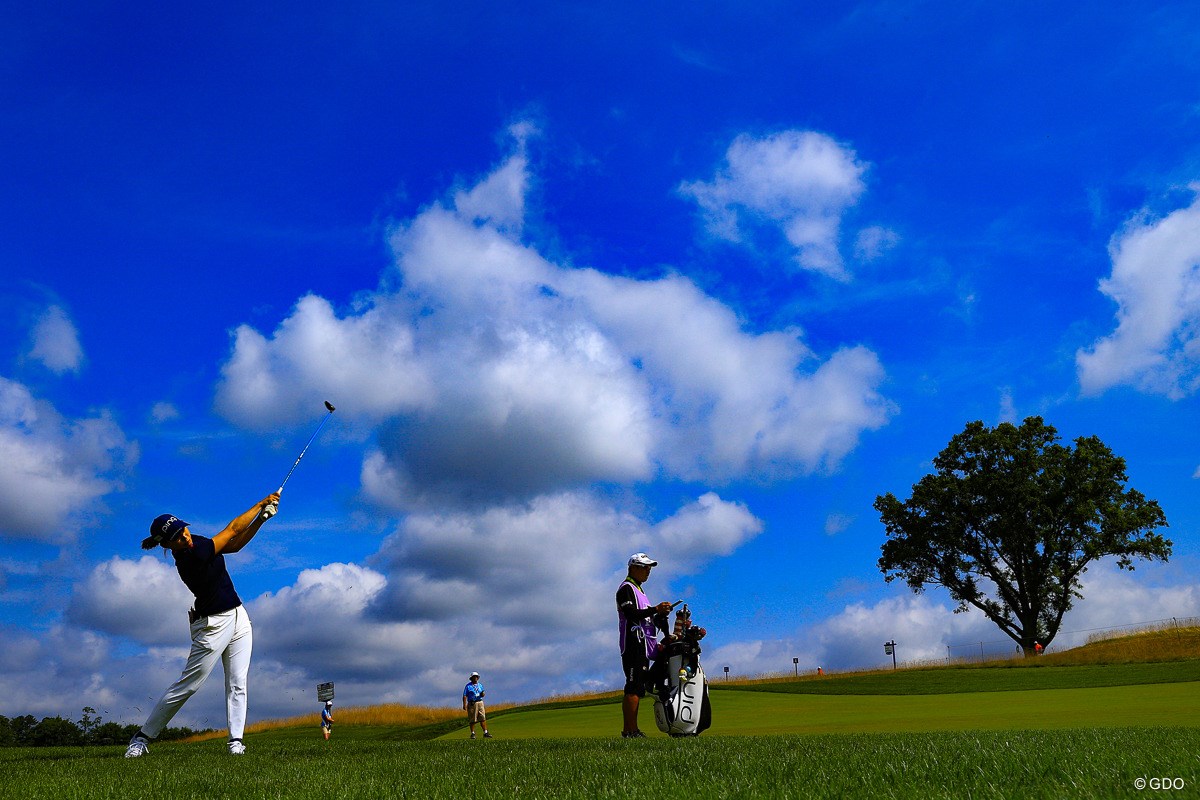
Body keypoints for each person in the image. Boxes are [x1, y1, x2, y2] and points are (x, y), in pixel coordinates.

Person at [124, 492, 281, 758]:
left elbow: (233, 545)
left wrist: (260, 521)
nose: (184, 535)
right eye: (177, 536)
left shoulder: (194, 542)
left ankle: (235, 741)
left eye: (183, 529)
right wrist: (260, 504)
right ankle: (141, 738)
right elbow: (231, 529)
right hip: (213, 625)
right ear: (169, 545)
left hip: (238, 616)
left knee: (238, 681)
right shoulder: (189, 559)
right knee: (189, 684)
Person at [616, 552, 674, 739]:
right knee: (633, 687)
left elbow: (647, 618)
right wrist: (655, 609)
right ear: (633, 568)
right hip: (633, 643)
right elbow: (632, 614)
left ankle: (633, 730)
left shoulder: (640, 591)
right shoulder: (626, 589)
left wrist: (660, 614)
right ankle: (629, 731)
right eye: (644, 567)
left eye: (649, 568)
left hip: (644, 645)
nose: (648, 571)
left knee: (638, 687)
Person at [462, 671, 492, 739]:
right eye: (474, 677)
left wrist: (483, 694)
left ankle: (485, 732)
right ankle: (472, 733)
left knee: (482, 717)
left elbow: (483, 693)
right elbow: (464, 695)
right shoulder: (468, 686)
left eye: (476, 677)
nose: (475, 678)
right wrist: (464, 704)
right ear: (471, 678)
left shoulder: (480, 685)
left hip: (480, 702)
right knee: (473, 719)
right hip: (472, 703)